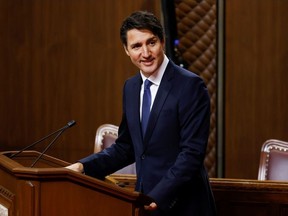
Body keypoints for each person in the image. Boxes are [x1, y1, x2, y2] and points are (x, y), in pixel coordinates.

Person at [66, 10, 216, 216]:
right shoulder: (131, 87)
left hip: (183, 205)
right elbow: (126, 147)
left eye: (151, 42)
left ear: (162, 41)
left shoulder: (190, 85)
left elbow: (191, 154)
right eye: (136, 46)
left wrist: (158, 196)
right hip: (144, 203)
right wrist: (82, 167)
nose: (145, 53)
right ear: (126, 50)